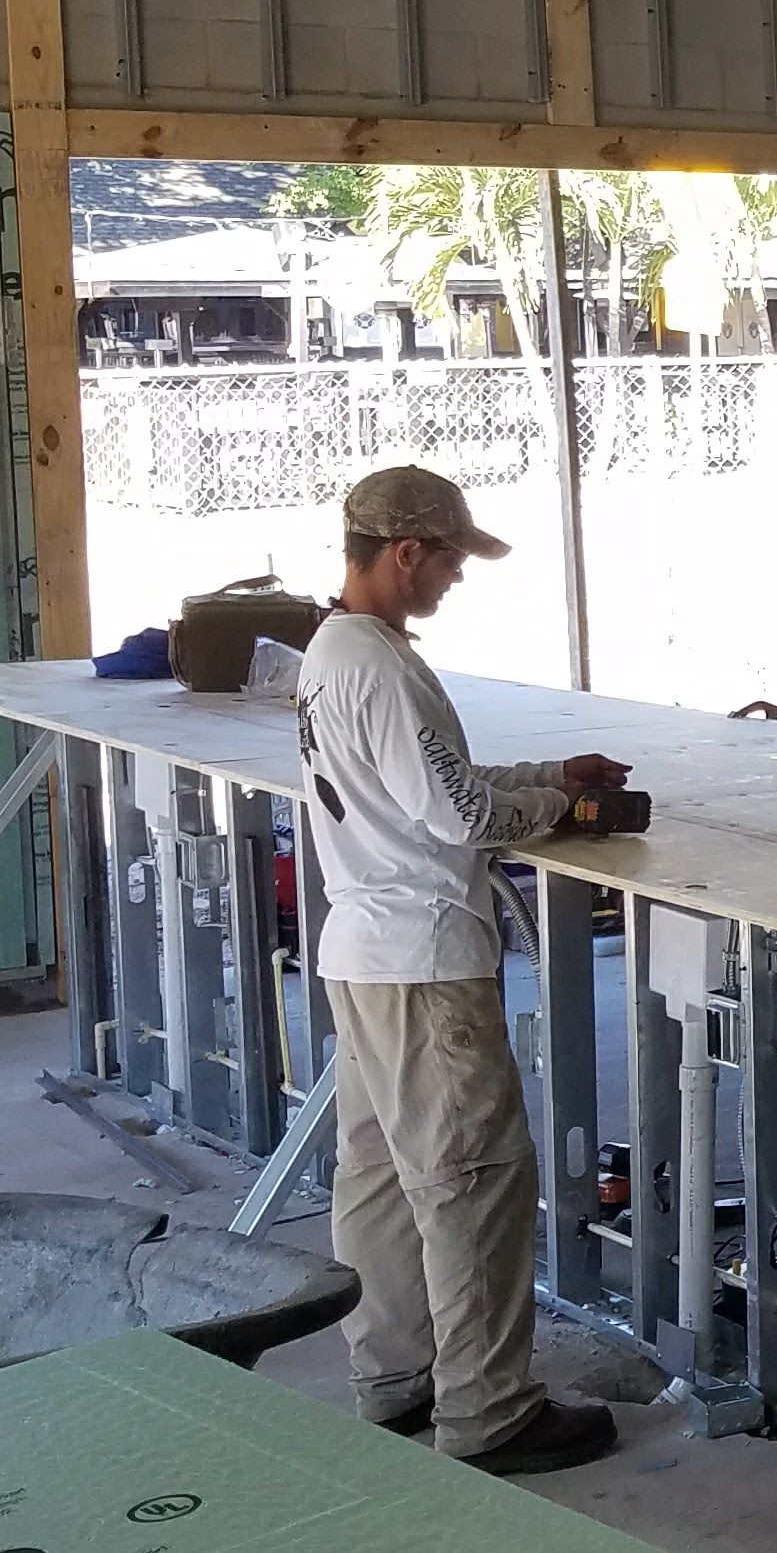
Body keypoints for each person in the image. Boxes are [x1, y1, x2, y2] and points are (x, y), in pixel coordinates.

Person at [295, 464, 632, 1475]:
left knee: (380, 1179)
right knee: (472, 1181)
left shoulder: (334, 651)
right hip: (424, 960)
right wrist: (566, 810)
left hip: (365, 956)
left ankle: (396, 1377)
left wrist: (548, 775)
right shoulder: (381, 668)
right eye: (448, 560)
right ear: (406, 554)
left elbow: (425, 785)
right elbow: (460, 815)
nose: (454, 578)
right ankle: (488, 1411)